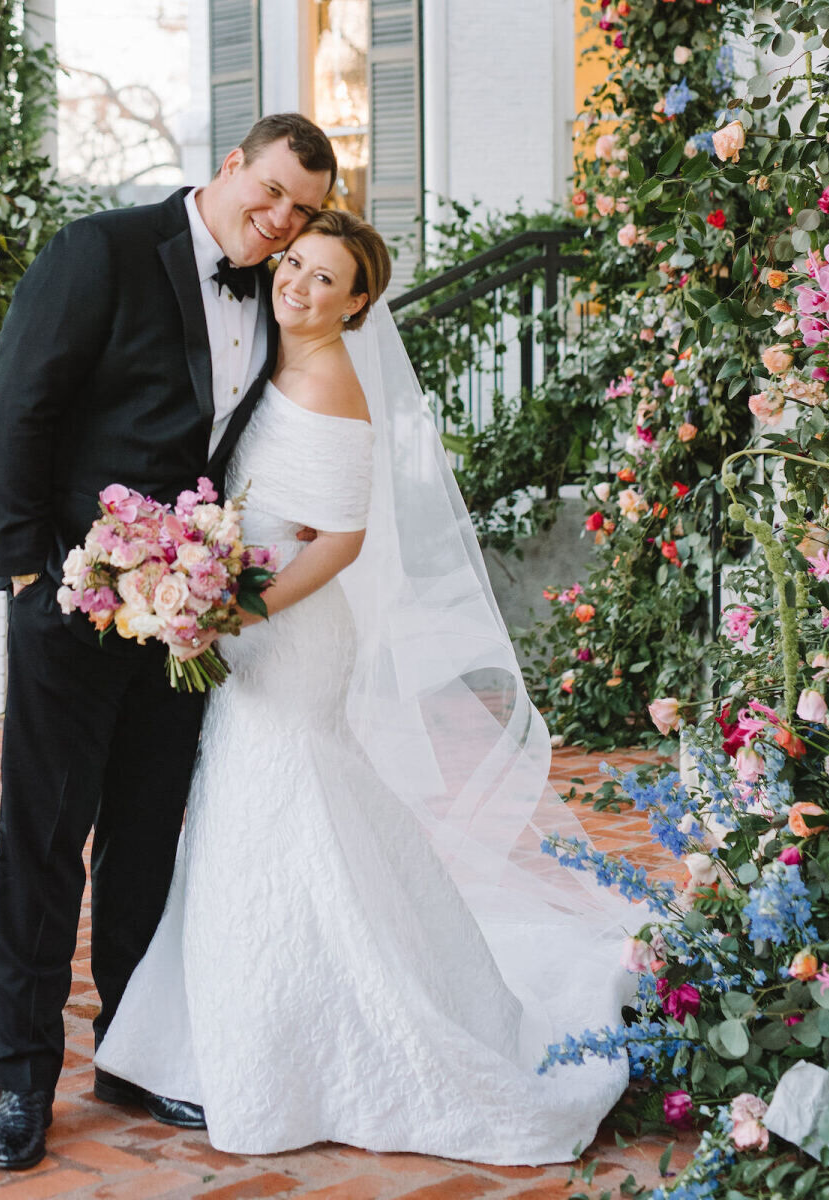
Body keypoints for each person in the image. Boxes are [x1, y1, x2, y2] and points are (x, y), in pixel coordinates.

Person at [94, 210, 636, 1162]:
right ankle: (231, 1030)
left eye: (322, 278)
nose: (296, 284)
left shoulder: (334, 381)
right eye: (293, 264)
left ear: (357, 302)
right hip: (252, 621)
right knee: (257, 822)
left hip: (290, 636)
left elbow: (341, 544)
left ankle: (318, 1033)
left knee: (279, 812)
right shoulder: (276, 356)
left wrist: (237, 612)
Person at [0, 114, 336, 1172]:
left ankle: (130, 1051)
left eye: (299, 212)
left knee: (147, 842)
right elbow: (20, 409)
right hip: (72, 601)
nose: (276, 220)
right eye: (266, 194)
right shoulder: (103, 252)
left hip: (187, 619)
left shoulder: (278, 286)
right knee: (44, 845)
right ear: (231, 167)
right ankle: (20, 1082)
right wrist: (31, 574)